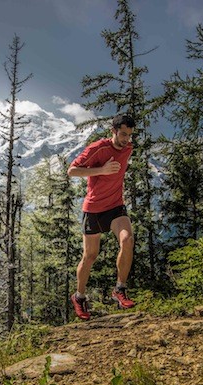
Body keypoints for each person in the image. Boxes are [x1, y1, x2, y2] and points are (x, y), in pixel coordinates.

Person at [67, 114, 136, 320]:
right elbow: (72, 171)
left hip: (115, 207)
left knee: (127, 240)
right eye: (123, 134)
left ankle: (120, 289)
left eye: (130, 135)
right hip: (94, 209)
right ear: (113, 131)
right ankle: (79, 297)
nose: (126, 139)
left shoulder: (128, 149)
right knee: (90, 256)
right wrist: (102, 170)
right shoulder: (98, 148)